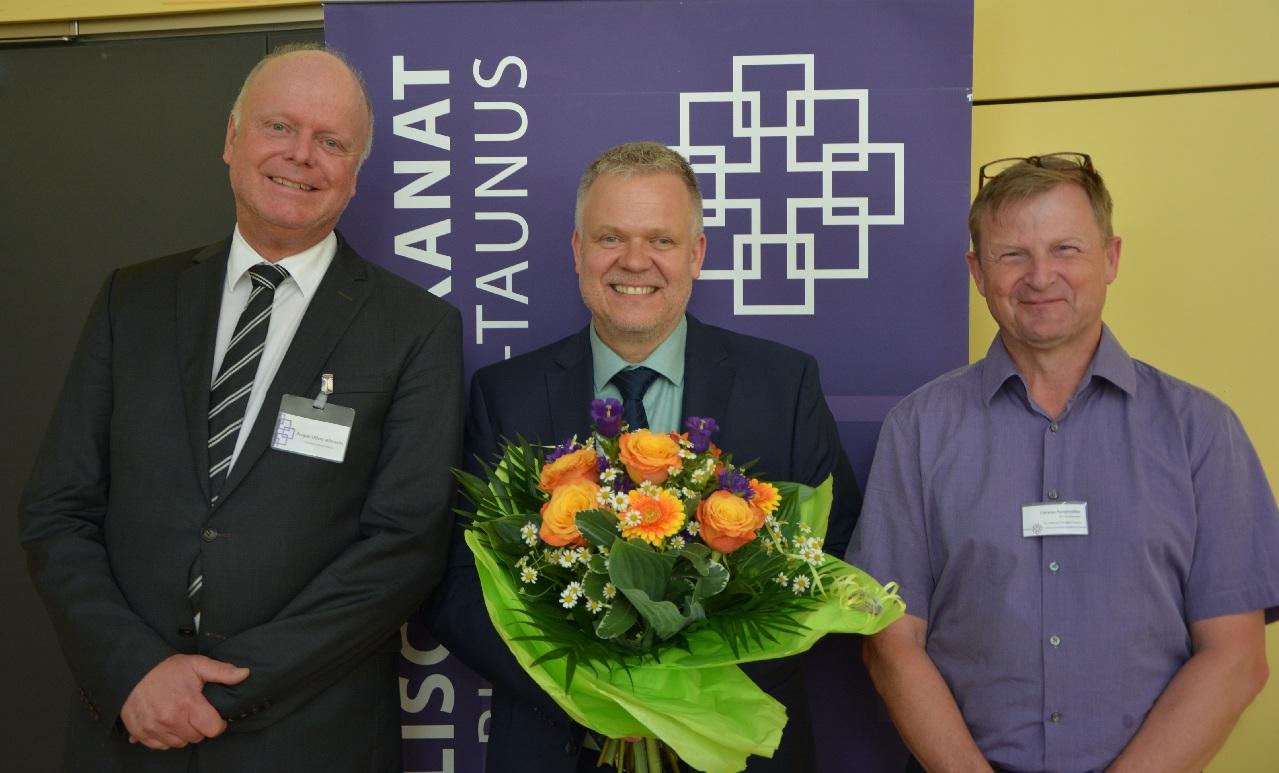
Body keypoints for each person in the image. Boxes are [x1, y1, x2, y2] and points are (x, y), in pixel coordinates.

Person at [19, 44, 462, 772]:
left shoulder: (415, 331)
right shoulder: (130, 302)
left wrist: (218, 693)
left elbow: (402, 548)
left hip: (308, 738)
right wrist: (136, 670)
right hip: (128, 729)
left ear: (354, 174)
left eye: (331, 142)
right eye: (278, 127)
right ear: (231, 139)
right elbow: (57, 508)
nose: (301, 156)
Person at [426, 141, 862, 772]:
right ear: (578, 251)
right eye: (610, 237)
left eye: (661, 239)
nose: (635, 261)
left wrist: (689, 692)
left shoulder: (783, 384)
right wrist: (591, 691)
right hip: (557, 743)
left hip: (737, 749)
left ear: (697, 253)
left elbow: (832, 556)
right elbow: (458, 586)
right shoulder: (505, 395)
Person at [847, 152, 1279, 772]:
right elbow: (890, 642)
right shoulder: (917, 429)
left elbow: (1236, 658)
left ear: (1111, 259)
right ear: (977, 271)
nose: (1040, 276)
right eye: (1012, 254)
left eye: (1066, 249)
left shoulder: (1202, 431)